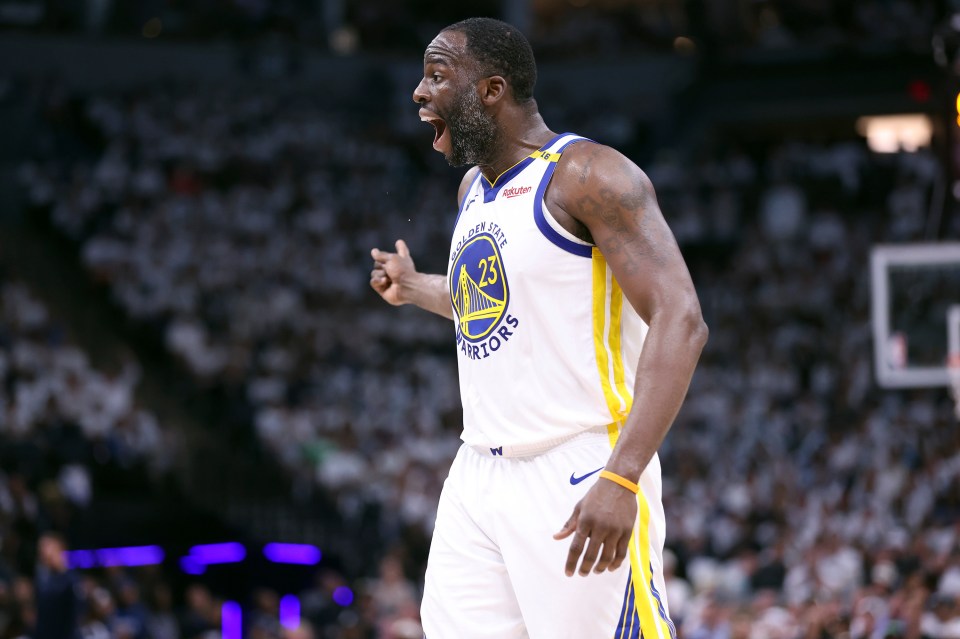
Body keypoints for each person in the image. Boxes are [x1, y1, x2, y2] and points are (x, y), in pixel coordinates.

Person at [370, 17, 707, 638]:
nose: (418, 92)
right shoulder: (473, 190)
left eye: (437, 76)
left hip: (578, 463)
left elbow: (681, 318)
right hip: (478, 470)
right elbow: (495, 303)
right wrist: (415, 287)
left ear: (492, 90)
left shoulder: (589, 175)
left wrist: (622, 475)